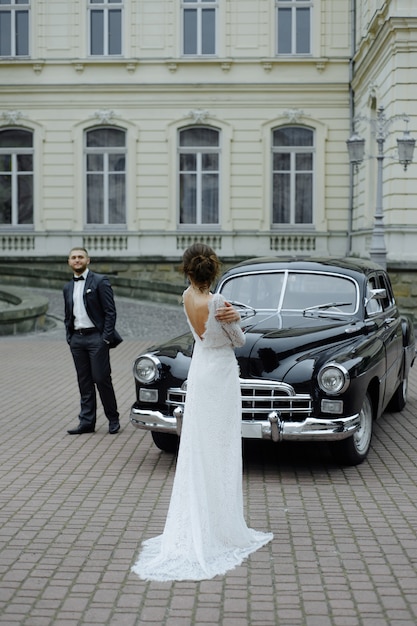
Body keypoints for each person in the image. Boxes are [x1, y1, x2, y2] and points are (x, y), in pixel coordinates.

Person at [131, 243, 273, 581]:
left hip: (200, 373)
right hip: (221, 376)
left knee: (200, 446)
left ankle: (204, 517)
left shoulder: (185, 297)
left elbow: (203, 335)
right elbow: (237, 341)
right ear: (214, 272)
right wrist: (237, 318)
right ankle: (220, 527)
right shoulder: (219, 303)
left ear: (187, 271)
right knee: (221, 447)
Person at [63, 247, 122, 435]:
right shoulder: (67, 287)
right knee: (84, 382)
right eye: (73, 258)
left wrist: (105, 338)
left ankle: (113, 419)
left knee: (101, 378)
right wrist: (69, 337)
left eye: (80, 257)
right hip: (77, 340)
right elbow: (67, 316)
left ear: (88, 260)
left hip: (97, 338)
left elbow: (110, 311)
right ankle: (87, 422)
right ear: (69, 262)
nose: (77, 260)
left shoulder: (100, 281)